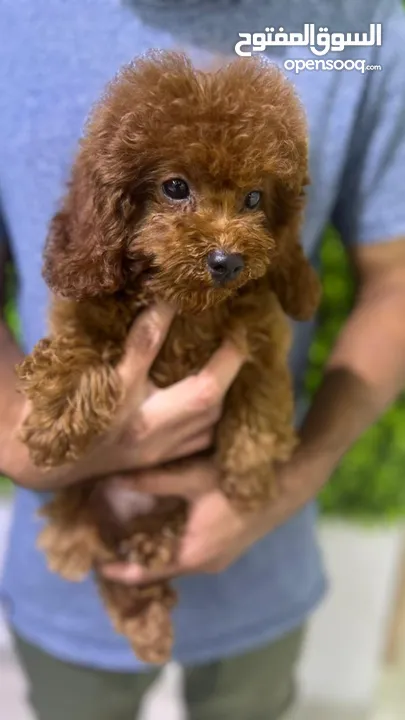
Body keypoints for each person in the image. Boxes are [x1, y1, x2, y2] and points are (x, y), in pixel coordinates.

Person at [1, 0, 405, 718]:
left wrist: (282, 480)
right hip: (65, 571)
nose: (223, 240)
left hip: (265, 570)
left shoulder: (361, 18)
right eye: (177, 191)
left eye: (250, 202)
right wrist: (22, 435)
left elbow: (396, 277)